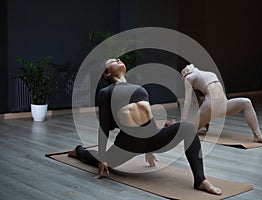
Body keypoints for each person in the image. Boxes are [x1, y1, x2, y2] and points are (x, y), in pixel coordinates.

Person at [68, 58, 222, 195]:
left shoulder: (137, 87)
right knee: (107, 161)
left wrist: (150, 149)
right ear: (107, 74)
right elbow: (104, 125)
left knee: (188, 127)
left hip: (153, 139)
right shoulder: (106, 92)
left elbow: (147, 116)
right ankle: (79, 151)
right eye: (113, 61)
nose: (118, 59)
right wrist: (102, 158)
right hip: (129, 144)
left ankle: (200, 180)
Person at [181, 64, 262, 145]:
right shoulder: (210, 74)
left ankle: (258, 135)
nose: (194, 88)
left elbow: (188, 101)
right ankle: (258, 135)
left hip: (218, 105)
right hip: (218, 105)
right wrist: (206, 117)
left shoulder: (189, 78)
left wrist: (183, 120)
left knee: (246, 102)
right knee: (246, 102)